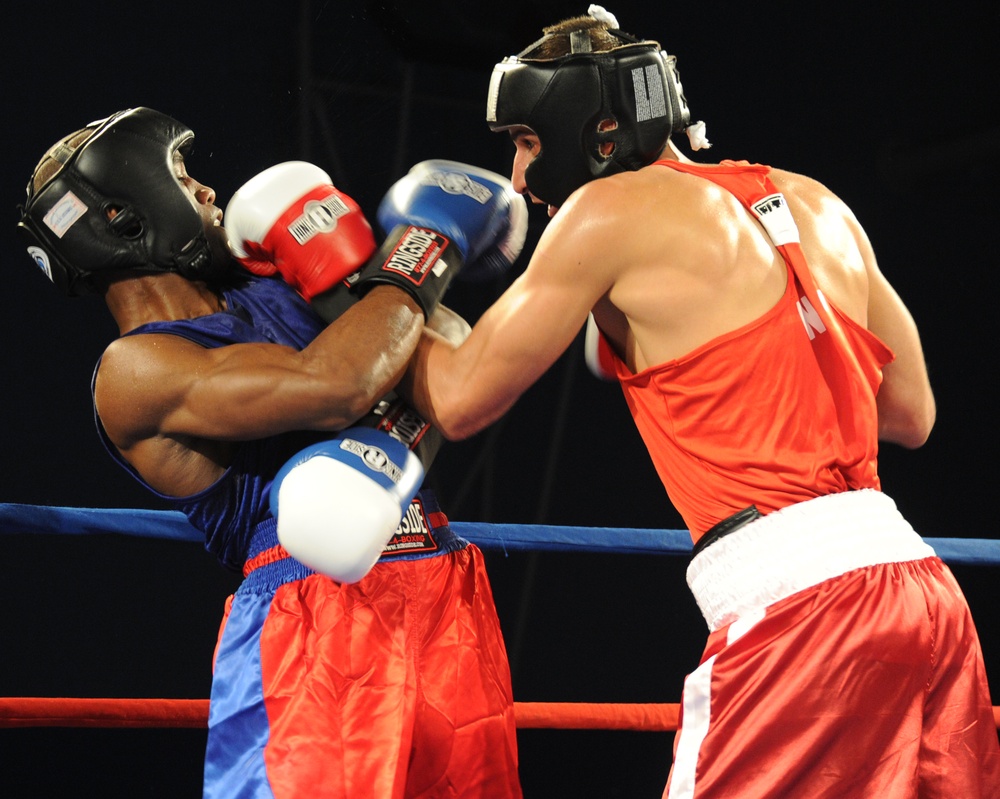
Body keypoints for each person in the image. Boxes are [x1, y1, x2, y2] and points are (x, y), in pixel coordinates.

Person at [400, 6, 1000, 797]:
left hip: (800, 610)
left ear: (593, 129)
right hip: (920, 590)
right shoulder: (815, 201)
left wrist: (399, 276)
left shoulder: (604, 213)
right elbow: (911, 413)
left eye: (526, 142)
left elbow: (457, 398)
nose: (516, 178)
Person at [17, 106, 524, 798]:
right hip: (314, 623)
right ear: (125, 218)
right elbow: (338, 384)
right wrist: (423, 245)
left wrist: (358, 289)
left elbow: (455, 363)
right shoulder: (137, 371)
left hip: (440, 583)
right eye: (182, 176)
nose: (205, 191)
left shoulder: (268, 280)